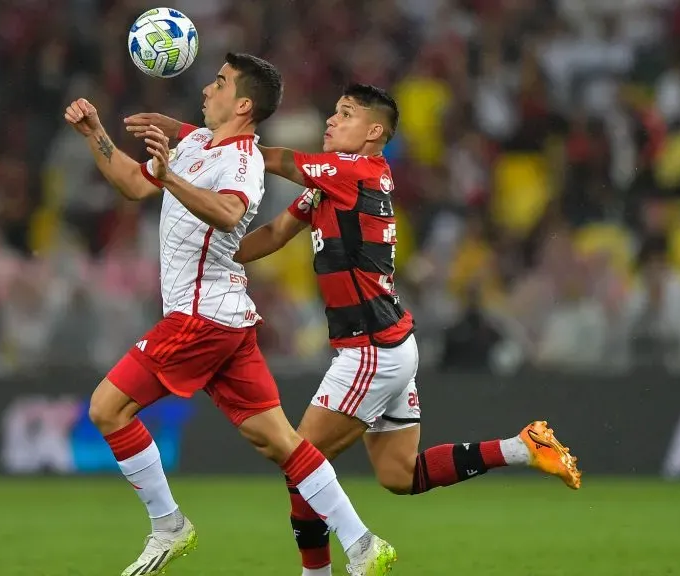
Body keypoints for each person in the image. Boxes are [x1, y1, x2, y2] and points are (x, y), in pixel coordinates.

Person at [126, 83, 582, 576]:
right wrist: (211, 253)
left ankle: (324, 570)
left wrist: (193, 135)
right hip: (392, 343)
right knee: (401, 475)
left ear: (374, 132)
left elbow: (271, 157)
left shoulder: (351, 171)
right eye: (333, 111)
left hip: (369, 351)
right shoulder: (336, 182)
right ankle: (523, 446)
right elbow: (274, 235)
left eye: (344, 114)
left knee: (301, 462)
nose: (330, 120)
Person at [65, 54, 397, 576]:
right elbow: (134, 184)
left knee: (108, 408)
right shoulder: (197, 143)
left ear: (243, 103)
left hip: (200, 318)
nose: (206, 88)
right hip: (229, 319)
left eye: (219, 82)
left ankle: (168, 524)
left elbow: (228, 213)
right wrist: (95, 133)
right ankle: (362, 542)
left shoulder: (241, 161)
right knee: (281, 441)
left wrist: (171, 178)